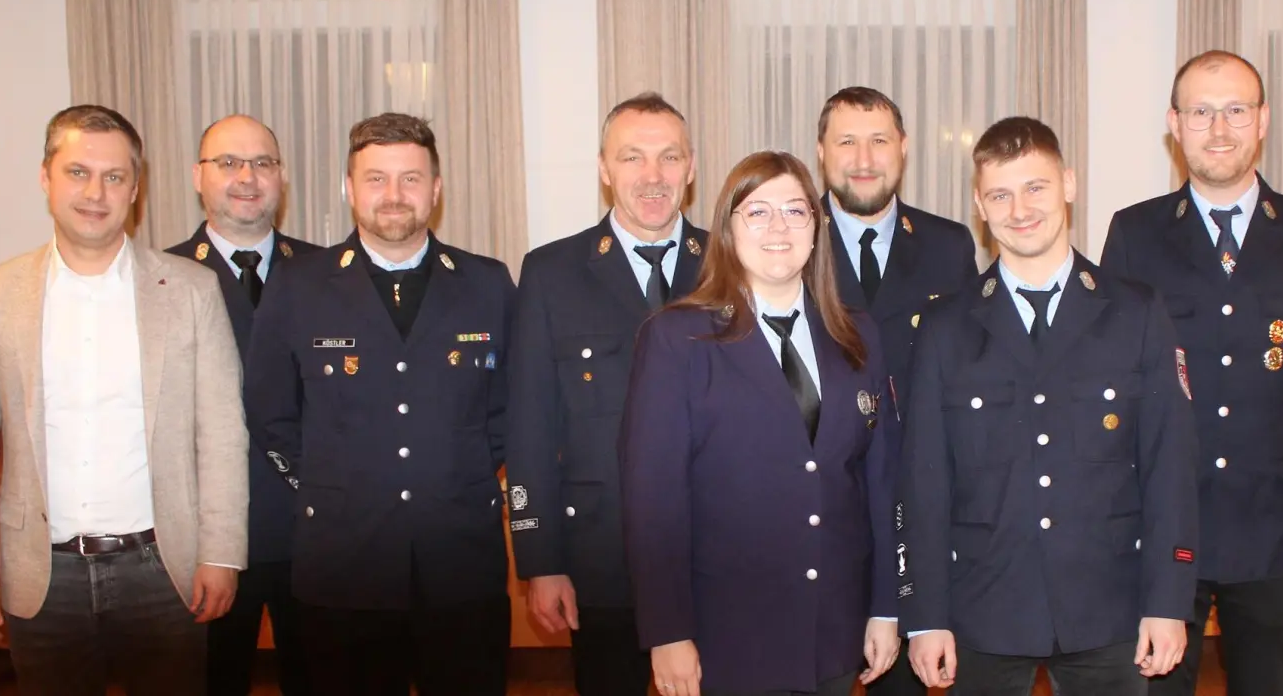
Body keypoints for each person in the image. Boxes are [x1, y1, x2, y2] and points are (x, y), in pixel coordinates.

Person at [1098, 51, 1283, 696]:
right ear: (1175, 124)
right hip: (1163, 531)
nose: (1218, 129)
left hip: (1278, 530)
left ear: (1263, 120)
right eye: (1201, 112)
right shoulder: (1135, 234)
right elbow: (1110, 393)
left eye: (1235, 111)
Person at [897, 116, 1199, 696]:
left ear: (1069, 184)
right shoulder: (944, 326)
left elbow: (1170, 468)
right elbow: (923, 482)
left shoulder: (1136, 312)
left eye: (1035, 187)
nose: (1020, 210)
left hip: (1109, 606)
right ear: (979, 206)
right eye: (1000, 195)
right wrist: (926, 615)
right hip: (982, 607)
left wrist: (1168, 601)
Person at [243, 113, 516, 696]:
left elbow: (509, 411)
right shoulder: (296, 285)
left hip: (460, 564)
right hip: (342, 565)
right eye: (376, 178)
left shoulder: (488, 284)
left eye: (410, 178)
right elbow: (270, 413)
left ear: (436, 189)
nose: (394, 194)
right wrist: (331, 484)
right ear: (349, 188)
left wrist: (456, 472)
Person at [0, 105, 248, 695]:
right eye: (77, 172)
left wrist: (222, 553)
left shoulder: (192, 290)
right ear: (45, 177)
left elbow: (223, 434)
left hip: (163, 570)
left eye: (114, 176)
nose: (95, 193)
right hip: (40, 575)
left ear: (135, 187)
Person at [619, 150, 901, 696]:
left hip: (836, 627)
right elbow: (653, 499)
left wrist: (886, 606)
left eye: (795, 211)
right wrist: (668, 631)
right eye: (757, 212)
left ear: (816, 229)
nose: (778, 227)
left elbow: (882, 482)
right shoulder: (677, 339)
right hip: (729, 634)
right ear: (728, 230)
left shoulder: (857, 335)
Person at [507, 92, 708, 696]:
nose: (652, 175)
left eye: (669, 157)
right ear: (603, 168)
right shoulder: (550, 273)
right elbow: (530, 427)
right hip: (601, 558)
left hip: (716, 556)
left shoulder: (729, 265)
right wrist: (541, 561)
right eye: (632, 157)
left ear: (691, 167)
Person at [166, 114, 318, 696]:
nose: (247, 177)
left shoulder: (330, 275)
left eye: (263, 163)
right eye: (228, 162)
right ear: (197, 176)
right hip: (204, 540)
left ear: (282, 176)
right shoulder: (161, 279)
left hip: (315, 534)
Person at [816, 86, 977, 400]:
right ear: (821, 151)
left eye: (879, 141)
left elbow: (968, 369)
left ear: (903, 147)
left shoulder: (948, 247)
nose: (864, 160)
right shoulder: (792, 244)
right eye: (847, 142)